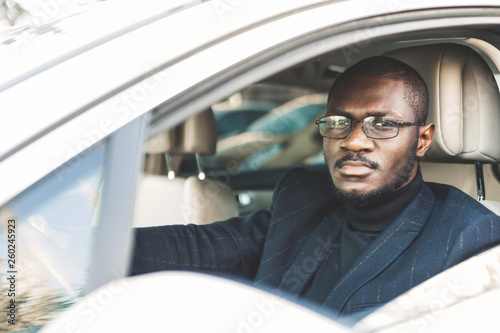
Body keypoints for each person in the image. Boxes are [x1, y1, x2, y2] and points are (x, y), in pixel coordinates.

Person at [131, 56, 500, 319]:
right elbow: (202, 248)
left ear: (422, 140)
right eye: (339, 122)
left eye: (382, 124)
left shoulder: (472, 237)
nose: (354, 141)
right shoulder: (304, 197)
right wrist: (87, 246)